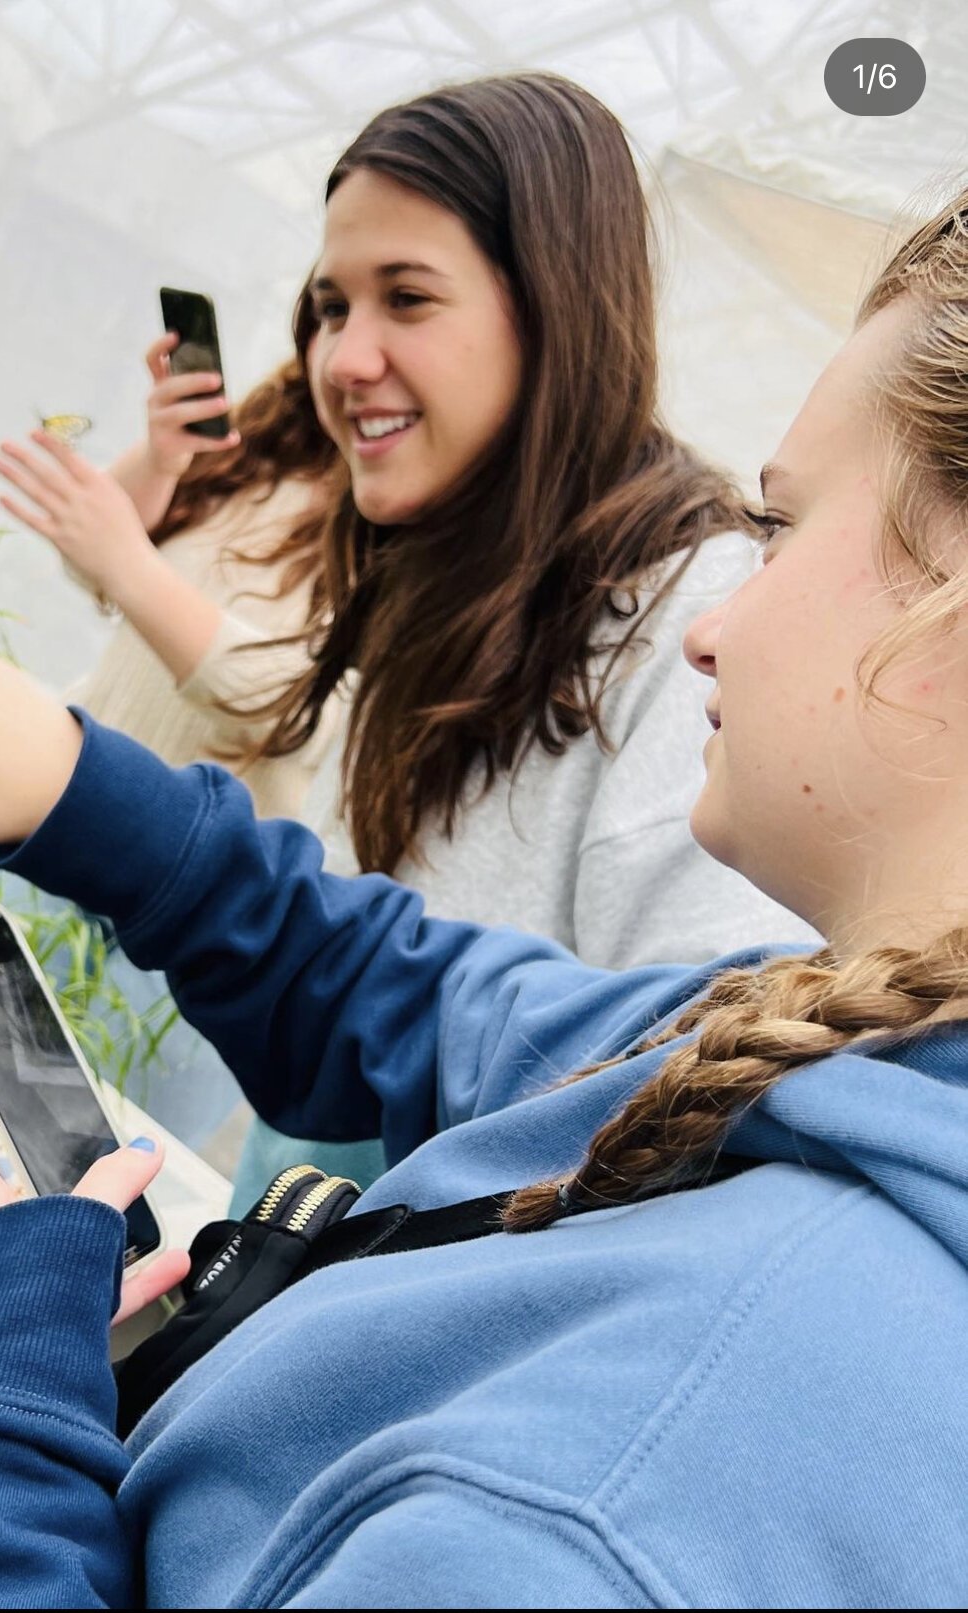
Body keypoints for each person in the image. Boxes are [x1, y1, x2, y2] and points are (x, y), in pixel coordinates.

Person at [0, 179, 968, 1606]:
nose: (721, 621)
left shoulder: (608, 1500)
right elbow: (441, 999)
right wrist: (75, 796)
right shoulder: (843, 1051)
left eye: (778, 526)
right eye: (326, 306)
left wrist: (10, 1386)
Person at [228, 73, 819, 1202]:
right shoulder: (440, 564)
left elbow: (700, 1081)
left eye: (408, 297)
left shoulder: (682, 618)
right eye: (331, 305)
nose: (344, 360)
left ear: (553, 305)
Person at [0, 342, 342, 1156]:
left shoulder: (427, 524)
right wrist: (160, 456)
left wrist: (129, 562)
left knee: (73, 1182)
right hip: (57, 833)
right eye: (334, 305)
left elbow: (299, 708)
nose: (355, 353)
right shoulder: (269, 445)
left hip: (174, 939)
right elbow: (98, 567)